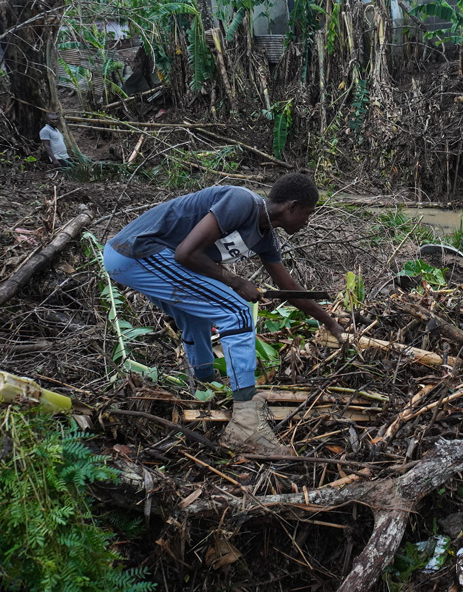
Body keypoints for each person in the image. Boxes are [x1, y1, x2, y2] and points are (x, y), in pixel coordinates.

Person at [103, 173, 345, 457]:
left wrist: (330, 323)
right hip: (137, 252)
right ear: (291, 206)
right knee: (237, 311)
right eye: (307, 213)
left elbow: (288, 288)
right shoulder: (241, 202)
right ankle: (245, 425)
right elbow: (185, 253)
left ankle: (204, 385)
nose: (307, 221)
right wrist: (236, 282)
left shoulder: (265, 236)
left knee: (196, 317)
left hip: (140, 258)